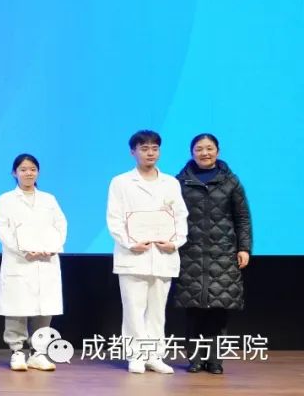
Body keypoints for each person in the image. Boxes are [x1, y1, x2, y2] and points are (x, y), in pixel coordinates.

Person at [106, 130, 189, 375]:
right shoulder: (121, 182)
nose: (150, 153)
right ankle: (136, 356)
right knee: (133, 309)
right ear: (133, 152)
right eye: (144, 148)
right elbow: (114, 218)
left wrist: (175, 242)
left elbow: (180, 216)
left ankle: (155, 356)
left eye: (154, 148)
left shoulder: (170, 183)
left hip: (163, 254)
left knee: (157, 311)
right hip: (133, 255)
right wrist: (130, 243)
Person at [174, 133, 253, 375]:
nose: (205, 153)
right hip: (190, 252)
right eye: (199, 149)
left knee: (219, 308)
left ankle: (215, 360)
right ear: (192, 152)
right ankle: (195, 360)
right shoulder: (178, 182)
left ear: (217, 151)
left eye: (209, 148)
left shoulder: (231, 182)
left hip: (223, 252)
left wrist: (244, 248)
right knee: (193, 309)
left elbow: (242, 217)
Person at [0, 154, 67, 372]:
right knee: (17, 307)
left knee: (44, 308)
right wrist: (22, 249)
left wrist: (53, 247)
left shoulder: (49, 199)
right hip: (19, 260)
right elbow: (0, 229)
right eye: (23, 169)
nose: (28, 173)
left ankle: (38, 353)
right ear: (14, 173)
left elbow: (61, 225)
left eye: (33, 169)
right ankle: (17, 351)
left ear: (38, 172)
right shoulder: (5, 200)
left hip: (45, 260)